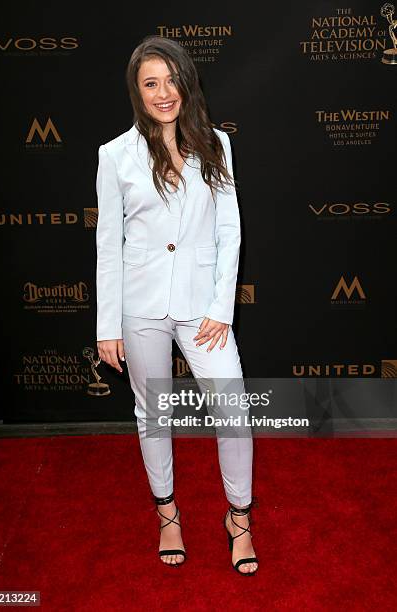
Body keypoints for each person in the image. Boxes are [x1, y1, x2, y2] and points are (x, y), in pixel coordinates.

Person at [95, 34, 258, 575]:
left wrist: (222, 308)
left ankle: (239, 519)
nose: (163, 93)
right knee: (153, 416)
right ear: (137, 92)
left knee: (232, 410)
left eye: (171, 81)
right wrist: (107, 325)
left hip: (202, 307)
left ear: (187, 84)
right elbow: (109, 247)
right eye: (150, 83)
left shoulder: (216, 144)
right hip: (139, 307)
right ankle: (168, 514)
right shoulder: (114, 155)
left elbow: (230, 230)